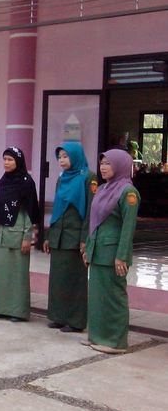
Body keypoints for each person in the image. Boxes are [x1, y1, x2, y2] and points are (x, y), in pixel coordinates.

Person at [83, 149, 140, 354]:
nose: (103, 167)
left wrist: (122, 256)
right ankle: (98, 336)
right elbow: (94, 222)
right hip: (98, 251)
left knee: (114, 297)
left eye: (108, 163)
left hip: (113, 253)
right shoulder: (104, 189)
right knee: (98, 297)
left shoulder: (128, 192)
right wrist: (88, 248)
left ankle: (116, 341)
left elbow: (128, 227)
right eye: (102, 163)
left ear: (121, 166)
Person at [44, 142, 97, 333]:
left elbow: (90, 211)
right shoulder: (62, 178)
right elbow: (57, 209)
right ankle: (58, 316)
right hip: (59, 236)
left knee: (75, 280)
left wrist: (85, 239)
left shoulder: (88, 178)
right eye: (60, 157)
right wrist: (49, 235)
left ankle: (75, 320)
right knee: (58, 279)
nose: (61, 160)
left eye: (66, 156)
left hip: (75, 237)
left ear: (75, 156)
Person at [0, 147, 40, 322]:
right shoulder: (3, 181)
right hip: (1, 232)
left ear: (18, 161)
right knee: (0, 272)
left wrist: (27, 237)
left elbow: (30, 212)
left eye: (10, 159)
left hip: (17, 233)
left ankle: (17, 311)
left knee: (17, 275)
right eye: (5, 159)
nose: (7, 163)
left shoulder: (26, 182)